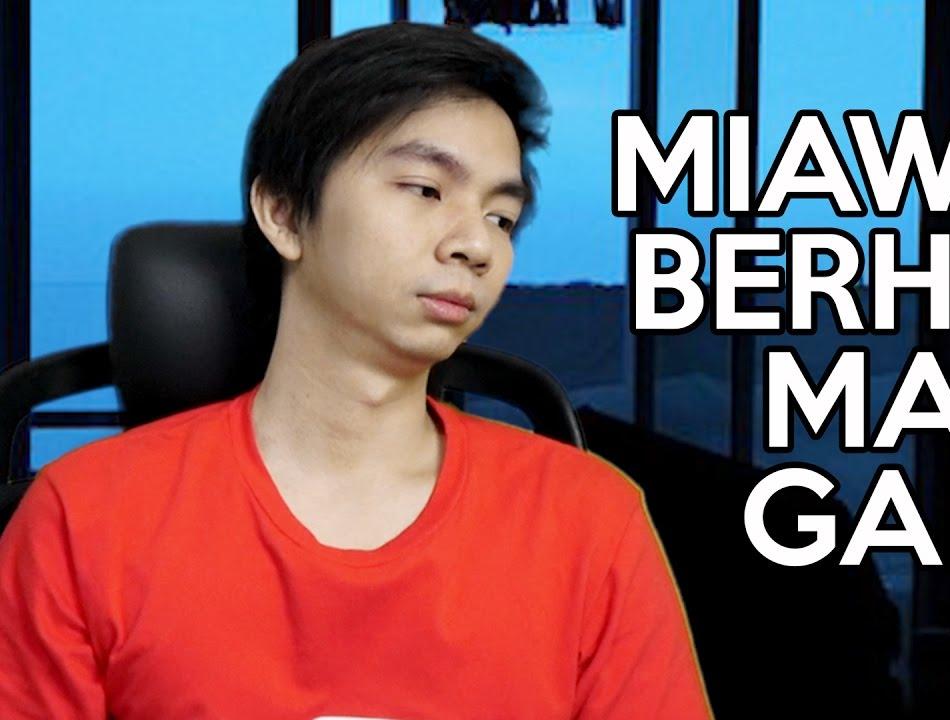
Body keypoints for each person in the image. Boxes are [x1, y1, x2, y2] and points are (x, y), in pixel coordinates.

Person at [0, 22, 712, 719]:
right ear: (284, 213)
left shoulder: (590, 519)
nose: (476, 245)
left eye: (500, 218)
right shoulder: (82, 519)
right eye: (425, 189)